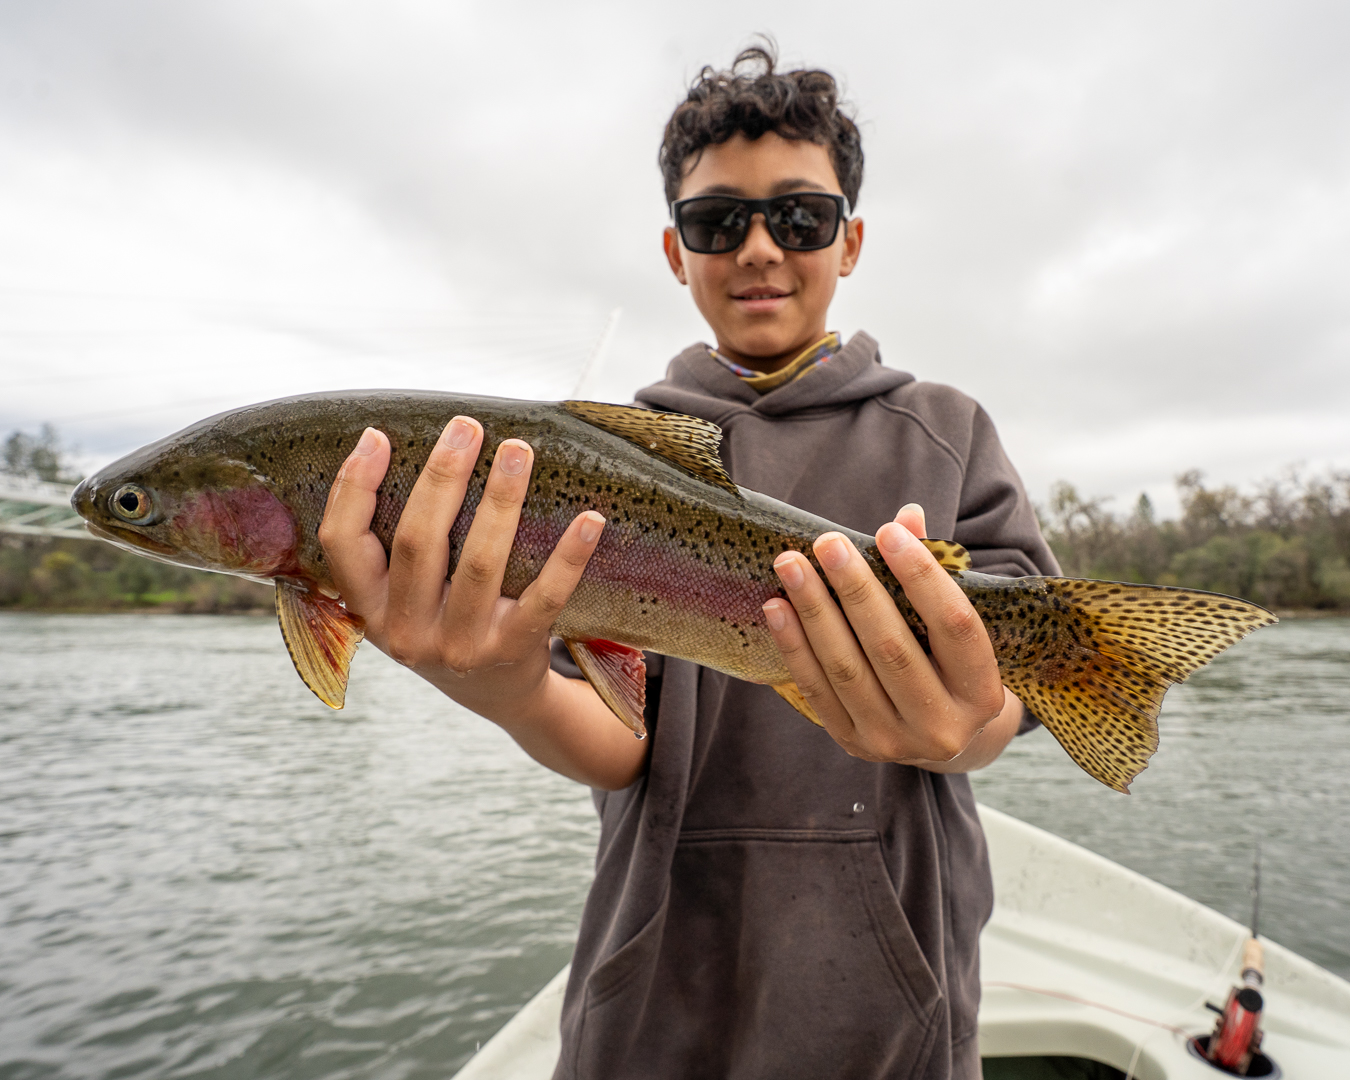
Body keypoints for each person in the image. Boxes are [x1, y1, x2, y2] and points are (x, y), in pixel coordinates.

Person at [318, 44, 1058, 1080]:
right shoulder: (603, 454)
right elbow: (623, 743)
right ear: (677, 251)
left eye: (798, 217)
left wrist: (972, 725)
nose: (760, 247)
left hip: (892, 998)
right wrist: (502, 686)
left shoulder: (943, 430)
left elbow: (1018, 679)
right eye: (720, 223)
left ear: (849, 241)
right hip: (656, 976)